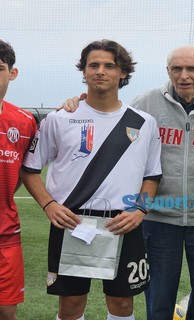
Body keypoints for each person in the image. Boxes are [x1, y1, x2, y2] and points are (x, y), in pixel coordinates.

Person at [62, 45, 194, 320]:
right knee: (158, 301)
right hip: (158, 220)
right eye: (176, 69)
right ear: (167, 71)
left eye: (192, 69)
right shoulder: (146, 102)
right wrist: (77, 104)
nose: (183, 75)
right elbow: (107, 118)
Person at [21, 39, 162, 320]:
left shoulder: (144, 122)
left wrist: (140, 209)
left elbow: (152, 175)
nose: (100, 71)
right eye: (93, 65)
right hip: (72, 222)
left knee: (122, 304)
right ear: (83, 72)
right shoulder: (60, 119)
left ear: (123, 73)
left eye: (110, 65)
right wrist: (49, 205)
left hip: (122, 222)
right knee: (71, 303)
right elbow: (30, 169)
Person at [0, 40, 37, 320]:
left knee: (6, 310)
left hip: (5, 234)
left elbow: (27, 172)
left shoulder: (24, 122)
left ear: (12, 73)